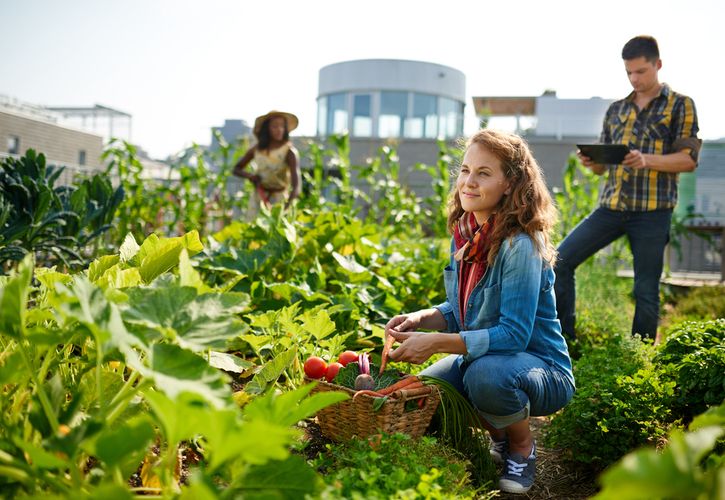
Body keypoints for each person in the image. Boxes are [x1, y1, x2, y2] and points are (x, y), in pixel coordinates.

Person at [385, 129, 575, 495]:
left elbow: (514, 336)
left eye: (484, 173)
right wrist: (423, 319)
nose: (469, 182)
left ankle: (521, 445)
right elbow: (462, 309)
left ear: (510, 184)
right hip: (487, 358)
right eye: (465, 170)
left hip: (540, 368)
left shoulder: (520, 245)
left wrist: (437, 343)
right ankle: (499, 430)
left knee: (485, 376)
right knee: (424, 393)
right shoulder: (467, 234)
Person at [554, 35, 701, 341]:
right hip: (611, 207)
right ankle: (564, 342)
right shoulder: (616, 110)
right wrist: (594, 162)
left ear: (657, 65)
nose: (635, 78)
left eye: (641, 71)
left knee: (645, 289)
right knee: (559, 261)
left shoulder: (680, 105)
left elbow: (688, 160)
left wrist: (646, 159)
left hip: (652, 212)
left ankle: (641, 355)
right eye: (629, 73)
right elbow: (605, 166)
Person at [232, 110, 301, 219]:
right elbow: (236, 169)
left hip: (279, 199)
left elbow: (296, 185)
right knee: (254, 229)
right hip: (259, 196)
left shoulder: (289, 152)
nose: (279, 130)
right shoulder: (257, 149)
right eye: (275, 126)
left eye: (282, 126)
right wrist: (250, 176)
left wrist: (287, 206)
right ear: (266, 129)